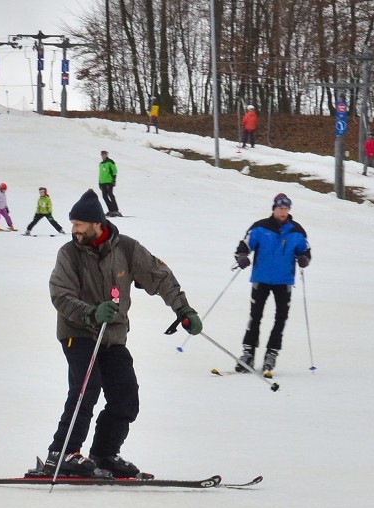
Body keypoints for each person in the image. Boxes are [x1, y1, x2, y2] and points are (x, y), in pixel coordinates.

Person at [41, 189, 202, 478]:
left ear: (97, 223)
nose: (74, 230)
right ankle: (62, 452)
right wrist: (91, 313)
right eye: (73, 224)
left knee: (126, 397)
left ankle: (104, 454)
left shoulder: (126, 249)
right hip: (78, 332)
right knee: (86, 388)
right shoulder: (68, 254)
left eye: (79, 224)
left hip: (113, 337)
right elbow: (61, 295)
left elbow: (159, 276)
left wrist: (183, 309)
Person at [234, 193, 310, 374]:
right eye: (280, 208)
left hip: (284, 281)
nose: (283, 212)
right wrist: (242, 256)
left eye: (286, 209)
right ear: (274, 209)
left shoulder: (297, 231)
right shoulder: (260, 227)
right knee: (255, 316)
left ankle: (271, 354)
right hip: (261, 278)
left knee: (281, 318)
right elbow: (245, 245)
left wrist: (304, 258)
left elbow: (305, 251)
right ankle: (248, 354)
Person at [98, 150, 121, 217]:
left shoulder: (110, 162)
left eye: (104, 154)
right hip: (103, 182)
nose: (103, 156)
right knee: (104, 196)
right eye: (102, 155)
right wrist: (99, 182)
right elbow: (100, 174)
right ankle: (111, 210)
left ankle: (115, 210)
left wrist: (113, 180)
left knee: (110, 195)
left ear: (107, 155)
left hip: (109, 181)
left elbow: (114, 171)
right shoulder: (101, 164)